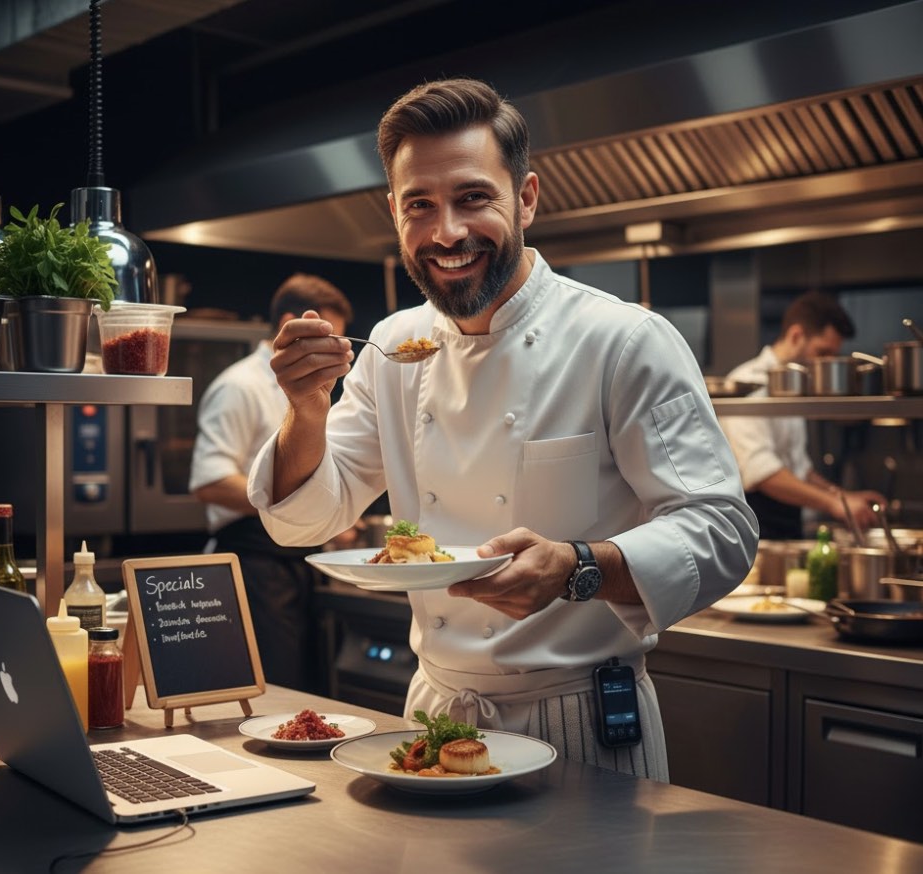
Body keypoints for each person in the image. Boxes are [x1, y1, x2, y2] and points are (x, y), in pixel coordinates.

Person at [246, 78, 758, 780]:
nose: (447, 232)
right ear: (394, 212)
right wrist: (306, 407)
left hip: (582, 725)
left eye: (473, 198)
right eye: (420, 205)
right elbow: (302, 521)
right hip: (433, 720)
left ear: (526, 198)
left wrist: (579, 567)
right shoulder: (394, 348)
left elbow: (722, 530)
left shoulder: (623, 339)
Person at [189, 272, 354, 691]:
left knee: (308, 687)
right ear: (290, 324)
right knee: (274, 689)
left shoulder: (319, 385)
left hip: (297, 563)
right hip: (252, 565)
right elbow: (209, 480)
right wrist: (288, 503)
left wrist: (326, 513)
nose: (337, 349)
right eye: (329, 336)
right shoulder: (238, 386)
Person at [720, 291, 885, 541]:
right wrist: (832, 503)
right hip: (754, 525)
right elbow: (761, 472)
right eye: (822, 353)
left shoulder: (794, 388)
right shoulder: (747, 383)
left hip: (788, 521)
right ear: (796, 336)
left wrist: (842, 496)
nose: (826, 364)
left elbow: (799, 468)